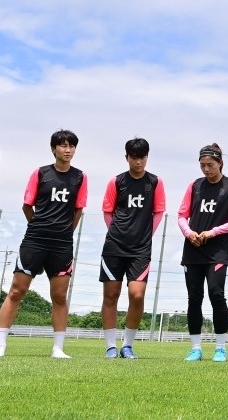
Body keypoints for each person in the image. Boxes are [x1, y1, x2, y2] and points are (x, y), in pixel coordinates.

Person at [0, 130, 87, 359]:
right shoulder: (41, 173)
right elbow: (27, 205)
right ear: (53, 149)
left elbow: (78, 210)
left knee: (60, 296)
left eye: (71, 146)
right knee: (17, 290)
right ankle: (0, 345)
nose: (67, 150)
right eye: (62, 146)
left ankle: (58, 348)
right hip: (34, 240)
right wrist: (38, 226)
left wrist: (64, 232)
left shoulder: (80, 177)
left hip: (62, 243)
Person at [178, 143, 228, 363]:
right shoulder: (194, 186)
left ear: (220, 163)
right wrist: (189, 232)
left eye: (210, 165)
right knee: (194, 297)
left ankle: (220, 348)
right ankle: (196, 348)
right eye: (202, 165)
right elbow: (181, 215)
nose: (206, 169)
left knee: (216, 294)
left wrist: (213, 232)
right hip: (193, 249)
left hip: (216, 250)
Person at [100, 137, 165, 359]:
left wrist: (146, 235)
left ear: (147, 158)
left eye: (142, 158)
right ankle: (110, 346)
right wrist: (115, 232)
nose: (138, 163)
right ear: (126, 157)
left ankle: (127, 345)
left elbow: (158, 211)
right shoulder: (116, 182)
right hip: (114, 246)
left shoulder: (155, 182)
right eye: (134, 158)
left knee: (136, 295)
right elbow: (107, 210)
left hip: (140, 248)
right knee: (111, 295)